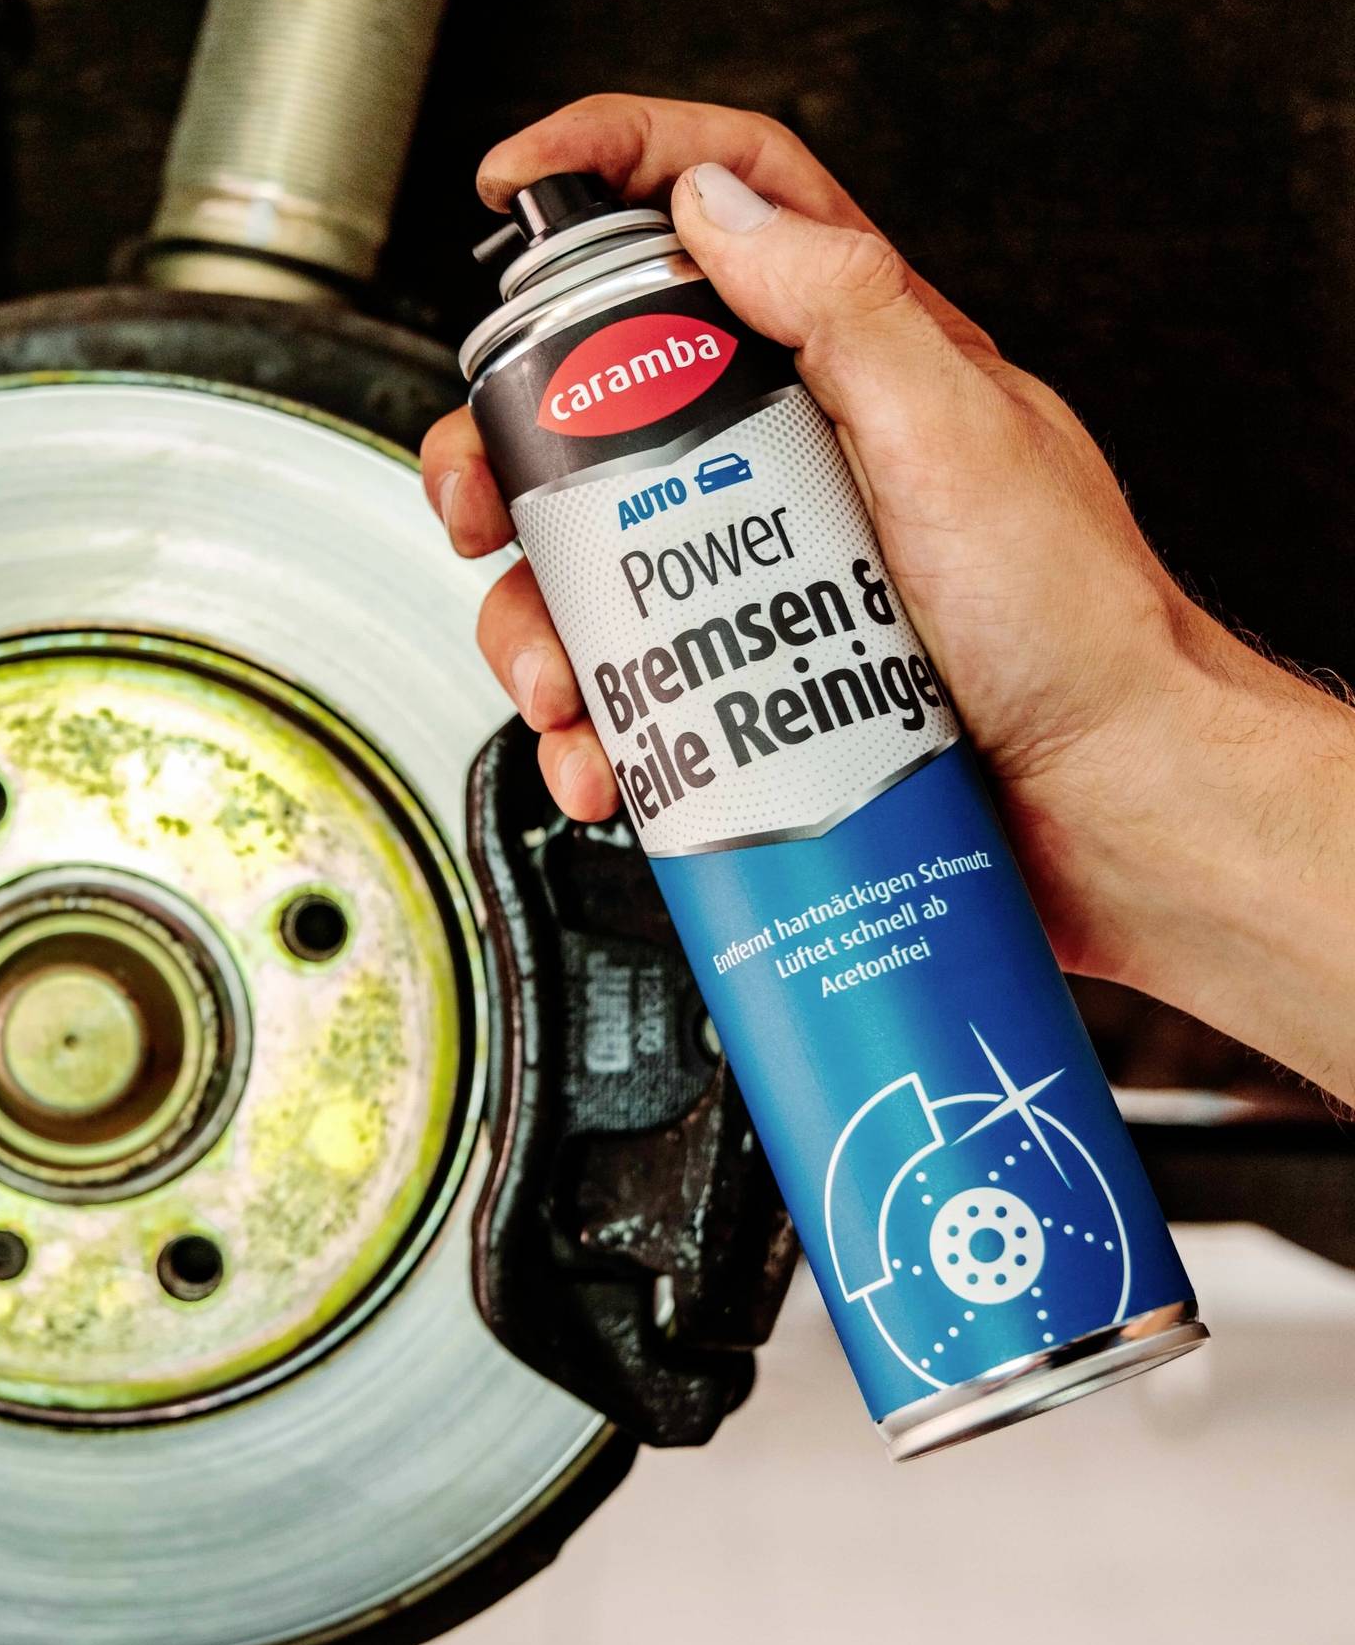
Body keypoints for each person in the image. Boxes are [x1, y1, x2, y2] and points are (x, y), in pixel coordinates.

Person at [421, 95, 1355, 1108]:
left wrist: (1126, 747)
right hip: (771, 899)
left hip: (920, 831)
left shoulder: (710, 299)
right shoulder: (536, 372)